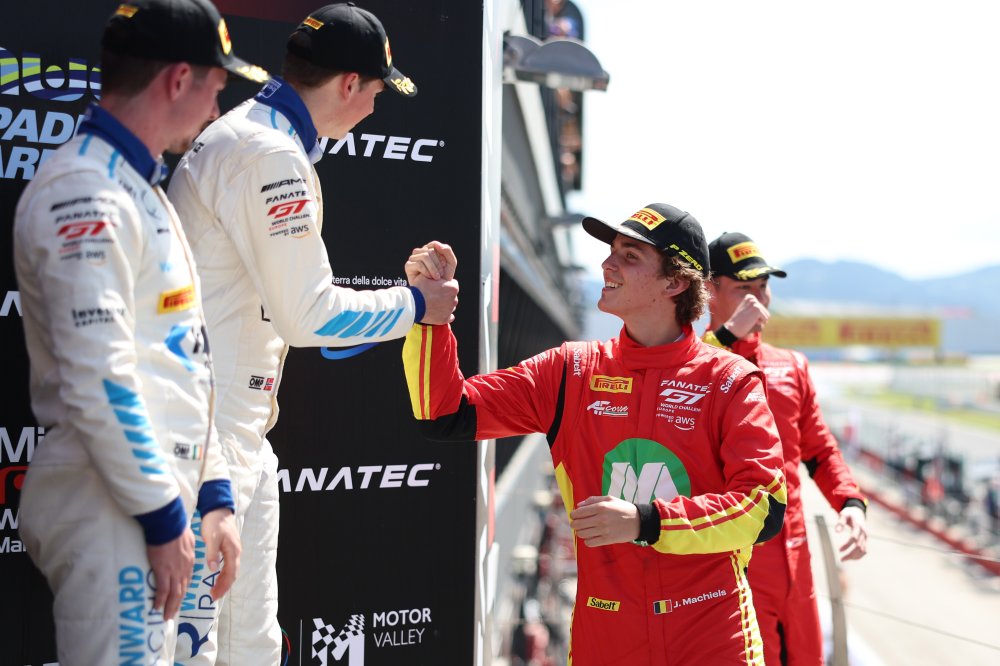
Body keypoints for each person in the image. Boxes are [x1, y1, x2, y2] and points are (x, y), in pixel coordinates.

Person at [166, 3, 459, 662]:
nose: (375, 109)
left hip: (227, 431)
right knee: (195, 651)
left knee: (251, 648)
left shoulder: (256, 136)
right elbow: (308, 317)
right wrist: (418, 304)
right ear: (350, 83)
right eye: (377, 92)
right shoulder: (270, 154)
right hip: (207, 436)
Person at [403, 203, 787, 665]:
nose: (607, 264)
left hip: (712, 639)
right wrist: (431, 318)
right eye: (611, 251)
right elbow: (444, 413)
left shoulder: (730, 380)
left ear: (675, 282)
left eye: (630, 255)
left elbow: (764, 508)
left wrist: (647, 521)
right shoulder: (571, 371)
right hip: (605, 639)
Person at [12, 1, 267, 663]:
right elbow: (99, 374)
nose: (216, 109)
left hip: (150, 506)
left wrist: (213, 497)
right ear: (178, 79)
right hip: (113, 507)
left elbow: (183, 362)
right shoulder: (85, 190)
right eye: (215, 87)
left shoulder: (140, 188)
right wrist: (160, 513)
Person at [702, 231, 868, 666]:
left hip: (796, 556)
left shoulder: (791, 366)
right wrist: (727, 338)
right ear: (709, 291)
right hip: (732, 562)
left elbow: (820, 449)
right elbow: (682, 377)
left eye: (763, 287)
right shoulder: (695, 363)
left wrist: (850, 503)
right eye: (744, 289)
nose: (759, 301)